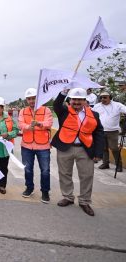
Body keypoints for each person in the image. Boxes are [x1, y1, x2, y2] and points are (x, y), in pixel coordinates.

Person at [51, 88, 104, 216]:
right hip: (65, 147)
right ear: (70, 100)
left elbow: (99, 133)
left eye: (80, 100)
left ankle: (84, 201)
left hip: (85, 148)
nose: (76, 102)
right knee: (64, 173)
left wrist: (98, 153)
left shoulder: (94, 114)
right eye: (74, 99)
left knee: (87, 175)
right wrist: (63, 92)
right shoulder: (63, 111)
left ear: (85, 101)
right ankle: (68, 197)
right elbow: (56, 104)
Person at [18, 88, 53, 203]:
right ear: (26, 100)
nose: (32, 101)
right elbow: (21, 124)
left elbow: (49, 123)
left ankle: (45, 191)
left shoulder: (46, 110)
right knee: (28, 169)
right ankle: (29, 188)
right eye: (29, 99)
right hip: (27, 145)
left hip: (43, 145)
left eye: (34, 98)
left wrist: (39, 124)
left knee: (45, 170)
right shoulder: (23, 111)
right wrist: (28, 127)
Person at [93, 91, 126, 172]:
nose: (102, 99)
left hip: (113, 131)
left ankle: (119, 165)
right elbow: (91, 114)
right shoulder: (97, 106)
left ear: (110, 97)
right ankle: (105, 163)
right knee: (104, 148)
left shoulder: (117, 105)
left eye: (105, 97)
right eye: (101, 97)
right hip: (100, 130)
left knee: (114, 148)